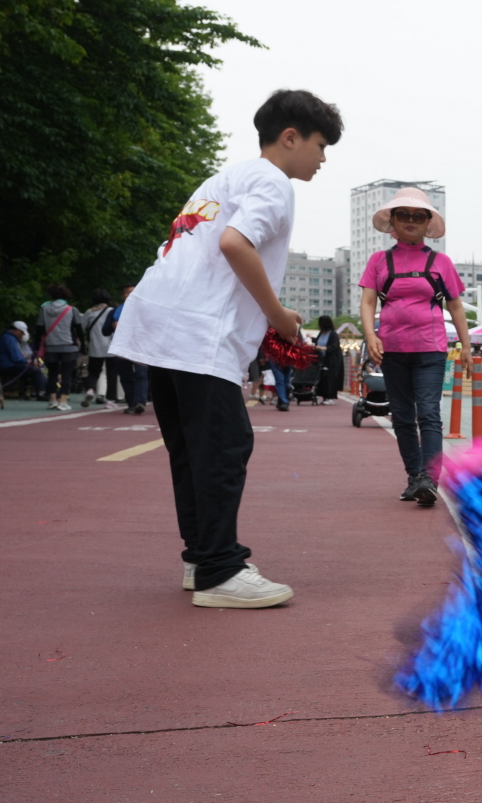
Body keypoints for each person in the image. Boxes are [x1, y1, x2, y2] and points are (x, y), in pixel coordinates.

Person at [112, 87, 343, 609]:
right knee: (224, 446)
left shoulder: (222, 178)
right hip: (199, 330)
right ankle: (220, 570)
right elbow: (235, 243)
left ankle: (202, 558)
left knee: (192, 451)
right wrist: (279, 316)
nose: (323, 158)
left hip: (161, 323)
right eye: (321, 145)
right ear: (290, 137)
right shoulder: (273, 181)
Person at [359, 188, 472, 505]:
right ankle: (414, 477)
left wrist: (466, 346)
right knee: (402, 416)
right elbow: (368, 302)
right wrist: (371, 336)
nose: (410, 221)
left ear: (427, 223)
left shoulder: (441, 262)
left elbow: (456, 306)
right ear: (392, 221)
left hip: (431, 349)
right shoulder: (379, 261)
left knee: (428, 414)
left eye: (418, 216)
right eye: (403, 215)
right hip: (391, 349)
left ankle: (429, 478)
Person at [103, 285, 147, 414]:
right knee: (125, 376)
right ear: (123, 296)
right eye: (128, 293)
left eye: (134, 292)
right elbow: (105, 331)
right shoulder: (115, 312)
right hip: (122, 348)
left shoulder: (146, 310)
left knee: (141, 374)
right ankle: (131, 403)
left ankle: (140, 402)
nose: (131, 295)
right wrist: (113, 325)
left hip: (141, 347)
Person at [38, 284, 81, 411]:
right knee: (67, 374)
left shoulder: (44, 309)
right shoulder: (72, 310)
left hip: (51, 346)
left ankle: (52, 400)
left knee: (52, 374)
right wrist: (82, 345)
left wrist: (37, 346)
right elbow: (78, 329)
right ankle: (63, 401)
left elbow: (39, 329)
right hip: (69, 346)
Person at [79, 289, 118, 407]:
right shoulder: (112, 311)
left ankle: (90, 390)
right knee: (112, 374)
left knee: (93, 372)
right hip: (111, 347)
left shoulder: (89, 312)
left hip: (94, 347)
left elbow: (82, 328)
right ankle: (110, 400)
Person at [0, 321, 46, 400]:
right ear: (17, 330)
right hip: (9, 366)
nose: (22, 334)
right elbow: (16, 358)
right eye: (21, 332)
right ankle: (41, 393)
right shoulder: (9, 338)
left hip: (7, 365)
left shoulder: (7, 337)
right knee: (35, 371)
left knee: (32, 370)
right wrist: (29, 362)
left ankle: (39, 392)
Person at [312, 314, 345, 403]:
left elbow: (334, 346)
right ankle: (323, 396)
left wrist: (323, 348)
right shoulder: (321, 332)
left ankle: (330, 397)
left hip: (331, 360)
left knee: (330, 378)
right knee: (322, 377)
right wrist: (312, 339)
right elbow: (319, 341)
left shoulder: (333, 334)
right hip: (322, 359)